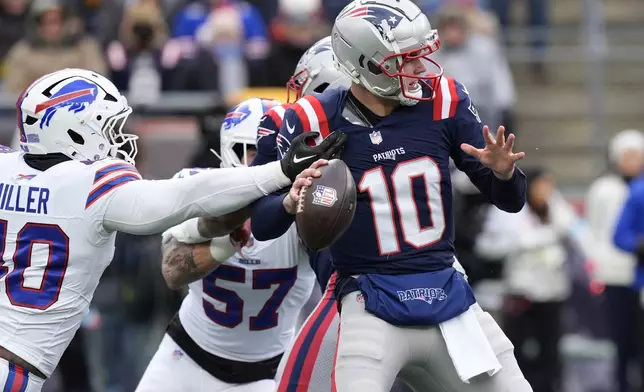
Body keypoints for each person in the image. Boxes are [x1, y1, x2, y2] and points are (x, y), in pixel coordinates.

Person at [0, 68, 345, 391]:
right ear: (74, 131)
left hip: (268, 366)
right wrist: (278, 173)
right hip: (19, 363)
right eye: (107, 128)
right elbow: (184, 201)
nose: (117, 139)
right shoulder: (95, 187)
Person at [251, 1, 532, 391]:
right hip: (370, 304)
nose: (420, 70)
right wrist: (288, 199)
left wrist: (503, 173)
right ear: (365, 63)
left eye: (420, 56)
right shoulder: (313, 120)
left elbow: (512, 200)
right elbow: (262, 225)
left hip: (449, 299)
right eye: (406, 60)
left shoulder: (443, 99)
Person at [136, 97, 318, 392]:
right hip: (186, 357)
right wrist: (227, 241)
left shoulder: (305, 208)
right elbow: (172, 271)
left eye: (277, 152)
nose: (264, 162)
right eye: (252, 151)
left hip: (266, 373)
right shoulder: (196, 186)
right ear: (228, 150)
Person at [587, 129, 644, 392]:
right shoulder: (605, 189)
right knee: (623, 339)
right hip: (616, 273)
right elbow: (598, 231)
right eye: (630, 155)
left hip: (638, 274)